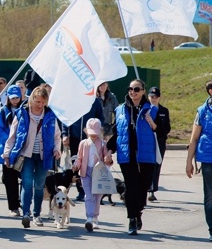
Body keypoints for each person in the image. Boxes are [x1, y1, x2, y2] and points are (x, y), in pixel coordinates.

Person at [3, 85, 61, 228]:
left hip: (44, 156)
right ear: (32, 99)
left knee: (39, 186)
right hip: (26, 155)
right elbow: (13, 136)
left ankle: (37, 214)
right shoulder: (21, 114)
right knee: (27, 184)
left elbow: (57, 136)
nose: (40, 105)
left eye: (43, 102)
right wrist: (6, 154)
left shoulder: (50, 116)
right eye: (38, 101)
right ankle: (26, 214)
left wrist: (57, 149)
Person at [115, 79, 158, 235]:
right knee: (131, 187)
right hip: (127, 154)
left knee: (143, 187)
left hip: (146, 154)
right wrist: (107, 150)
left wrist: (153, 123)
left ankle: (138, 212)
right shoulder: (120, 109)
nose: (132, 92)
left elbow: (163, 130)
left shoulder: (152, 109)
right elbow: (116, 132)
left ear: (143, 91)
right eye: (130, 89)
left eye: (136, 89)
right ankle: (132, 219)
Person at [72, 118, 114, 232]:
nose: (93, 136)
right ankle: (89, 217)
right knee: (89, 195)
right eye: (91, 133)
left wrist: (107, 159)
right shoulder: (83, 143)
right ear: (87, 131)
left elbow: (107, 159)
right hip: (85, 172)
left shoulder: (103, 144)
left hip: (98, 173)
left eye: (95, 133)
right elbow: (79, 157)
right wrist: (76, 165)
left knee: (97, 196)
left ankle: (95, 217)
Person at [61, 95, 104, 201]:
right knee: (77, 164)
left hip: (91, 139)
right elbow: (65, 119)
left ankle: (93, 190)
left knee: (91, 165)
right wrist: (65, 134)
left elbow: (101, 118)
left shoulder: (95, 101)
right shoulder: (72, 100)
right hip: (75, 138)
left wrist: (98, 132)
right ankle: (82, 190)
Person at [186, 80, 212, 241]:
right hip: (208, 158)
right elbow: (194, 138)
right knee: (210, 195)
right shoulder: (203, 111)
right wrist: (189, 161)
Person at [0, 84, 23, 216]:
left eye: (17, 97)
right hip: (8, 149)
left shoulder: (25, 110)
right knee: (9, 178)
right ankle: (13, 206)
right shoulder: (3, 111)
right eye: (12, 97)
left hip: (23, 148)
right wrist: (9, 139)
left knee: (25, 178)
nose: (15, 100)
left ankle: (24, 202)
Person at [146, 86, 170, 202]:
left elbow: (167, 128)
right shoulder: (145, 110)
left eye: (155, 97)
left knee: (157, 165)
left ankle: (152, 189)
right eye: (151, 96)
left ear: (159, 98)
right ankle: (146, 188)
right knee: (147, 165)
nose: (153, 99)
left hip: (159, 141)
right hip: (147, 141)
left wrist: (158, 129)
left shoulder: (164, 111)